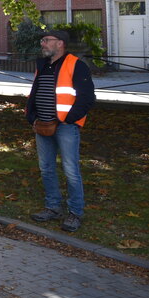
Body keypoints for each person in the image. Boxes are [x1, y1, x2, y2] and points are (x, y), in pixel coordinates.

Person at [26, 29, 95, 233]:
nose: (43, 44)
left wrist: (68, 119)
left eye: (47, 40)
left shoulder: (76, 65)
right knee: (46, 168)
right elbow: (35, 92)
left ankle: (75, 212)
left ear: (60, 43)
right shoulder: (43, 65)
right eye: (42, 40)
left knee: (71, 170)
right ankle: (53, 207)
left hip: (65, 126)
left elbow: (87, 98)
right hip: (43, 125)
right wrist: (32, 116)